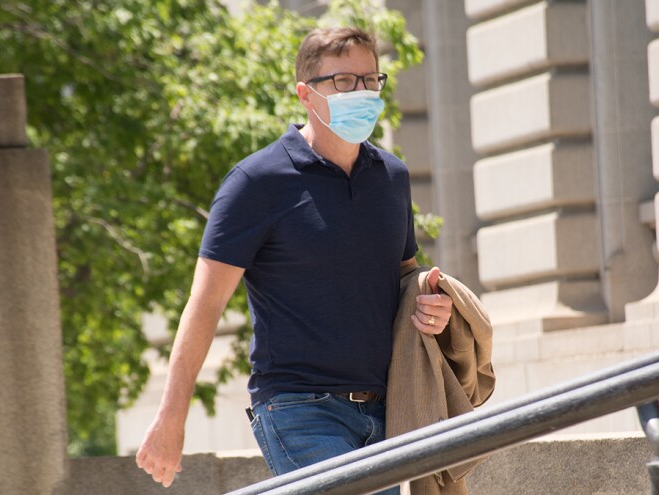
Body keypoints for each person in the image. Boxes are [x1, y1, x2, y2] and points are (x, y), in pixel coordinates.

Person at [135, 26, 453, 492]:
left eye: (370, 80)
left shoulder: (392, 177)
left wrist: (433, 304)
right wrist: (170, 418)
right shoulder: (257, 182)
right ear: (306, 94)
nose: (361, 92)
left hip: (387, 408)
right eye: (344, 81)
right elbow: (204, 306)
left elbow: (406, 279)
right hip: (298, 409)